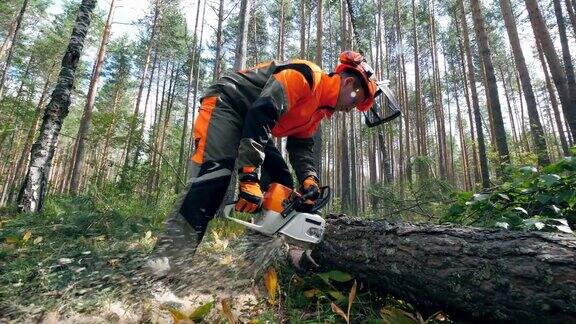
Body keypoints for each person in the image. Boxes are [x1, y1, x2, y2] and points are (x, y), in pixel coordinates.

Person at [150, 51, 381, 273]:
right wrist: (249, 176)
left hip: (253, 123)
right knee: (214, 178)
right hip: (228, 103)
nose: (351, 109)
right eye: (355, 101)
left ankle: (254, 262)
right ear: (349, 83)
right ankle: (167, 262)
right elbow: (262, 113)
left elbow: (301, 147)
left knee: (281, 185)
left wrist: (309, 179)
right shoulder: (306, 76)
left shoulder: (318, 111)